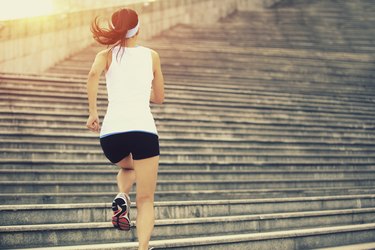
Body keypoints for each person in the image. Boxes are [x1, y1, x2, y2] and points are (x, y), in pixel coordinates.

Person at [85, 8, 164, 250]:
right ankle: (143, 247)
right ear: (138, 28)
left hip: (112, 134)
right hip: (143, 131)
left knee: (129, 166)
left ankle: (122, 195)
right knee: (147, 198)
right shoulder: (151, 56)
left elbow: (92, 75)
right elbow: (159, 98)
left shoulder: (105, 54)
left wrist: (93, 112)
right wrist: (142, 90)